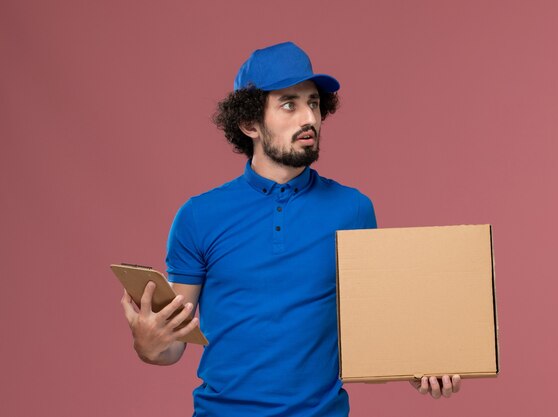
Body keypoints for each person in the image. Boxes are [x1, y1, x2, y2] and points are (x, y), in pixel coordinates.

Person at [121, 41, 461, 417]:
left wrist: (421, 363)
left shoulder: (354, 210)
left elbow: (372, 340)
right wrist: (148, 343)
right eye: (290, 104)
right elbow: (171, 344)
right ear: (250, 123)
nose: (309, 119)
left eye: (313, 103)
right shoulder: (198, 216)